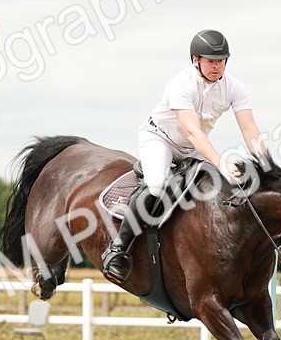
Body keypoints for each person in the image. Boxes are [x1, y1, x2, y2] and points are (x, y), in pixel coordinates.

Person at [103, 29, 268, 284]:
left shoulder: (235, 88)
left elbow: (249, 129)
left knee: (213, 190)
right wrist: (221, 162)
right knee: (157, 186)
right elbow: (192, 131)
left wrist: (267, 164)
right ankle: (117, 250)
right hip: (160, 139)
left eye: (221, 60)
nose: (217, 66)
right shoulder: (180, 84)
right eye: (211, 60)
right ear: (195, 60)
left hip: (193, 148)